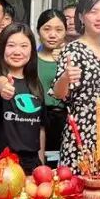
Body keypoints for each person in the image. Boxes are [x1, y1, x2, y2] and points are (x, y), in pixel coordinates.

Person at [55, 0, 100, 169]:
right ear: (81, 17)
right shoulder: (73, 49)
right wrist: (65, 77)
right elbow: (59, 94)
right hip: (82, 131)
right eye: (93, 12)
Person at [0, 23, 48, 174]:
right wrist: (4, 86)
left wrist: (41, 164)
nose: (17, 51)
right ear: (1, 48)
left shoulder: (35, 84)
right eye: (11, 45)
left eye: (24, 46)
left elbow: (40, 128)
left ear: (32, 50)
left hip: (30, 163)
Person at [35, 9, 69, 167]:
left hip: (64, 121)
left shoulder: (70, 59)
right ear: (38, 31)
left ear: (66, 32)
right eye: (47, 29)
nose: (52, 35)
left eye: (59, 30)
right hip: (35, 120)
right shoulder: (29, 59)